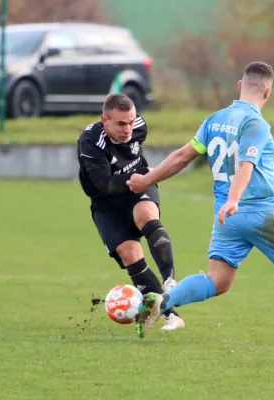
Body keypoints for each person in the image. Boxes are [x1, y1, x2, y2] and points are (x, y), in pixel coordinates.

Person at [127, 62, 274, 343]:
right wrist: (234, 199)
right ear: (267, 93)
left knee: (217, 281)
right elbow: (246, 163)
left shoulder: (215, 119)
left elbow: (183, 155)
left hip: (226, 217)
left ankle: (161, 301)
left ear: (240, 85)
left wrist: (146, 180)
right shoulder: (256, 124)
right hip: (258, 210)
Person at [77, 93, 185, 333]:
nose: (128, 129)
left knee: (146, 215)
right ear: (105, 121)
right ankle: (170, 315)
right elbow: (103, 184)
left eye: (131, 121)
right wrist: (136, 176)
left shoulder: (139, 127)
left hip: (138, 188)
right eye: (121, 123)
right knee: (129, 254)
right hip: (106, 201)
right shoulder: (91, 141)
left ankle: (170, 280)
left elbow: (136, 156)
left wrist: (146, 178)